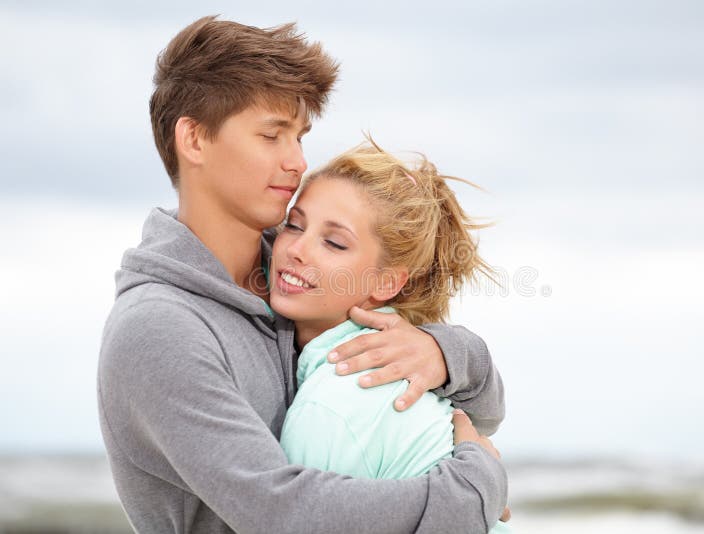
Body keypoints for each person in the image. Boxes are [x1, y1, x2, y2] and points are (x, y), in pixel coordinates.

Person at [97, 15, 508, 533]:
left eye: (299, 136)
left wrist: (445, 353)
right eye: (272, 136)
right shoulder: (159, 328)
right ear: (194, 140)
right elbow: (284, 512)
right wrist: (474, 489)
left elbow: (480, 408)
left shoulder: (296, 272)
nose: (297, 162)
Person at [272, 141, 512, 533]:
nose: (296, 248)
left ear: (386, 282)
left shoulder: (330, 408)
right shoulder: (386, 372)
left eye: (333, 242)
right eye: (294, 224)